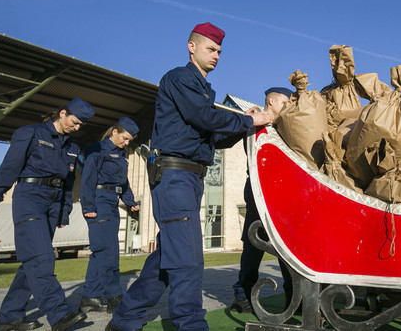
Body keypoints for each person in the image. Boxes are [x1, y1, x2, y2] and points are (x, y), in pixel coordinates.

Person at [106, 22, 274, 331]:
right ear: (191, 47)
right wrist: (248, 118)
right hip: (175, 175)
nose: (217, 56)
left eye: (220, 52)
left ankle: (125, 319)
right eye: (211, 49)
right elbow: (205, 117)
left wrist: (247, 126)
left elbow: (213, 137)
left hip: (189, 179)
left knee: (167, 260)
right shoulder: (180, 78)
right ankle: (191, 324)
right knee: (188, 261)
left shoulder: (201, 89)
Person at [0, 97, 94, 331]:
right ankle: (59, 313)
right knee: (42, 257)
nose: (77, 128)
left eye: (81, 125)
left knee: (32, 261)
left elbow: (68, 183)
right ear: (62, 113)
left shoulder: (71, 147)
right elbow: (10, 168)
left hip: (53, 203)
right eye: (75, 121)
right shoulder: (30, 133)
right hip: (30, 196)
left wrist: (64, 212)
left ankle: (10, 317)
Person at [231, 87, 294, 314]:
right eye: (284, 102)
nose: (288, 107)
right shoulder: (255, 125)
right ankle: (243, 294)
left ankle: (293, 297)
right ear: (271, 101)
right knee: (252, 246)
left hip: (281, 194)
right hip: (259, 192)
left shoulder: (287, 129)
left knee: (286, 248)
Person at [79, 117, 141, 314]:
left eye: (130, 140)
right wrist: (88, 205)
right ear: (114, 132)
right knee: (109, 252)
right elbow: (87, 178)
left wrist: (130, 202)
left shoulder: (121, 154)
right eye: (125, 138)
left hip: (113, 202)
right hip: (98, 201)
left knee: (100, 253)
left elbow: (124, 183)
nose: (127, 142)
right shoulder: (97, 149)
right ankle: (114, 296)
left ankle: (90, 297)